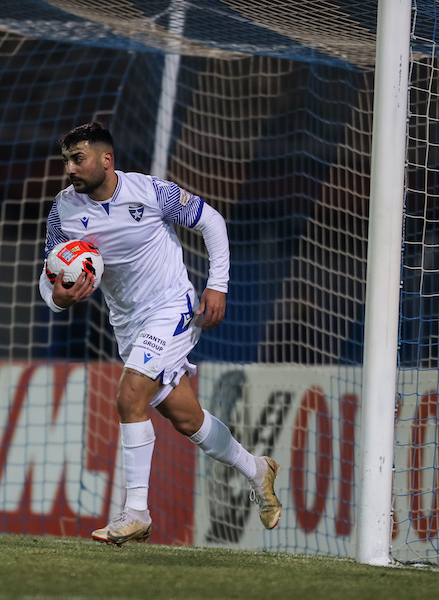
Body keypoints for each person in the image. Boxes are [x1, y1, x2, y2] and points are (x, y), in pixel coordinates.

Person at [39, 122, 281, 545]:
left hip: (173, 308)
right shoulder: (62, 210)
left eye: (78, 159)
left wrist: (217, 284)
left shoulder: (150, 192)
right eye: (67, 161)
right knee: (188, 419)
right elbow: (48, 276)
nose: (70, 170)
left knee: (129, 397)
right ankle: (257, 470)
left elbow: (212, 222)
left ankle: (136, 512)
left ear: (105, 159)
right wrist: (59, 297)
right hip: (128, 324)